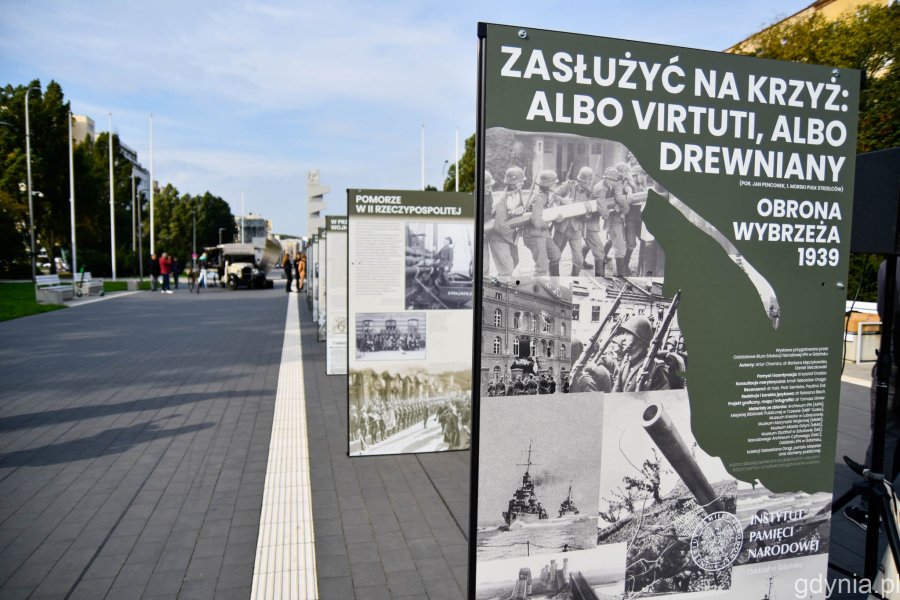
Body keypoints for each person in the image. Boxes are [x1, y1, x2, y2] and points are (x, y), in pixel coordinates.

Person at [845, 260, 900, 530]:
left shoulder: (891, 267)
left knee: (885, 435)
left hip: (895, 365)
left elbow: (884, 311)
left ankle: (872, 509)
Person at [611, 316, 670, 392]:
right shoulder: (625, 366)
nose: (623, 338)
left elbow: (663, 401)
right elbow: (614, 397)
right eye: (624, 333)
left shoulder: (656, 369)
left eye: (628, 333)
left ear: (640, 339)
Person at [552, 166, 592, 276]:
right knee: (554, 257)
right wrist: (563, 200)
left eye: (588, 183)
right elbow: (554, 196)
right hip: (561, 228)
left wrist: (588, 213)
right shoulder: (568, 186)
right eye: (584, 182)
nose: (586, 184)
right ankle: (555, 280)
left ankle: (573, 280)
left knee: (579, 260)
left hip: (576, 230)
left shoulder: (589, 194)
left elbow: (586, 217)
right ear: (579, 180)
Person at [523, 170, 562, 276]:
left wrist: (554, 218)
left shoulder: (546, 195)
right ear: (548, 185)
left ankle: (554, 283)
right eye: (554, 183)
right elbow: (536, 221)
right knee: (542, 268)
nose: (556, 184)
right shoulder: (539, 198)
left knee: (556, 255)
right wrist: (551, 220)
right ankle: (536, 291)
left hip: (542, 233)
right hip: (534, 235)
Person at [487, 168, 523, 278]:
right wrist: (513, 236)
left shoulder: (515, 194)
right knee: (507, 269)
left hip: (508, 236)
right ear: (514, 183)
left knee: (515, 261)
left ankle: (500, 281)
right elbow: (500, 225)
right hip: (498, 238)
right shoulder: (503, 199)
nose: (522, 184)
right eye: (521, 182)